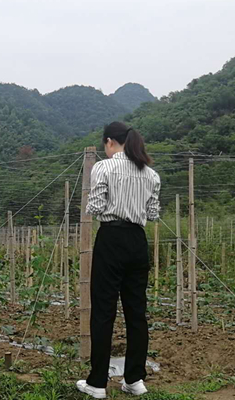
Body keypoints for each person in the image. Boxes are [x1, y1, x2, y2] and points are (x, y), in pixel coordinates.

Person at [76, 122, 161, 399]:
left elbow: (95, 207)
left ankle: (98, 383)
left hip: (111, 238)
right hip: (137, 241)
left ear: (110, 142)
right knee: (136, 312)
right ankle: (135, 379)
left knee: (103, 311)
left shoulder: (104, 167)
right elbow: (153, 213)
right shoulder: (151, 174)